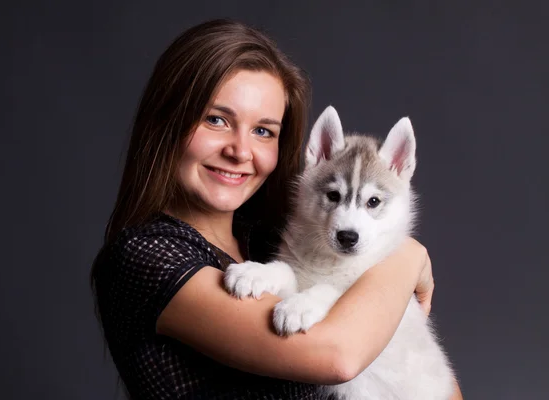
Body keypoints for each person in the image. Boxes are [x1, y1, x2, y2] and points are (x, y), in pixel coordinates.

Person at [90, 19, 463, 399]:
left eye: (263, 131)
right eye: (216, 119)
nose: (240, 150)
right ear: (169, 122)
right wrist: (410, 255)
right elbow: (338, 356)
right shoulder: (146, 257)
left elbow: (439, 384)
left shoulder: (267, 238)